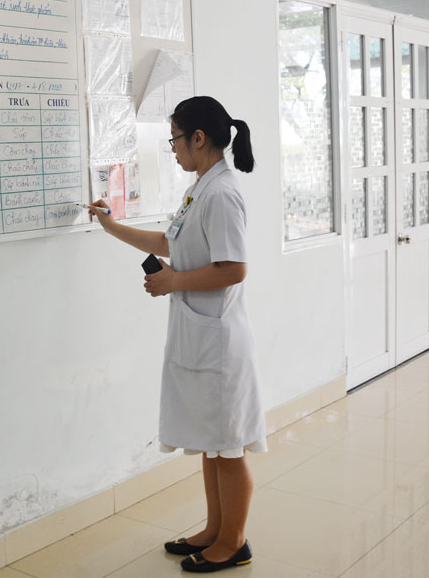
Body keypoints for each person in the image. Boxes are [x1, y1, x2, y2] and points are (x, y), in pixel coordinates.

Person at [90, 96, 265, 573]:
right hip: (200, 335)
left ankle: (234, 542)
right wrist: (112, 228)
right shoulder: (200, 189)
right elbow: (171, 242)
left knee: (227, 447)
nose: (172, 149)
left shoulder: (223, 194)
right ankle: (214, 529)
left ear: (198, 139)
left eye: (174, 139)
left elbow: (234, 269)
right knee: (211, 441)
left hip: (221, 342)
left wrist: (173, 281)